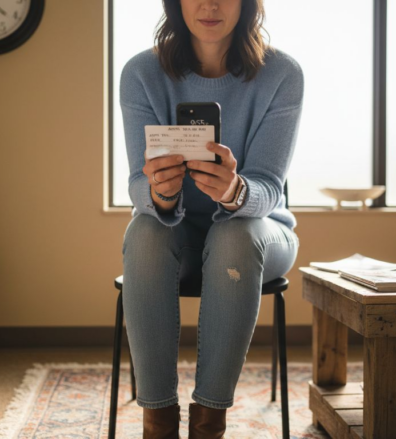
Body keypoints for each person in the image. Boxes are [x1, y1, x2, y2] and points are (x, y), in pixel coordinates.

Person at [120, 0, 303, 437]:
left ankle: (209, 423)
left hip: (261, 230)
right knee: (144, 229)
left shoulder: (282, 75)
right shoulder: (141, 73)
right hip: (176, 234)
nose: (209, 4)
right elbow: (136, 186)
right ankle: (158, 422)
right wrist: (160, 194)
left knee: (234, 235)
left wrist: (235, 190)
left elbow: (269, 189)